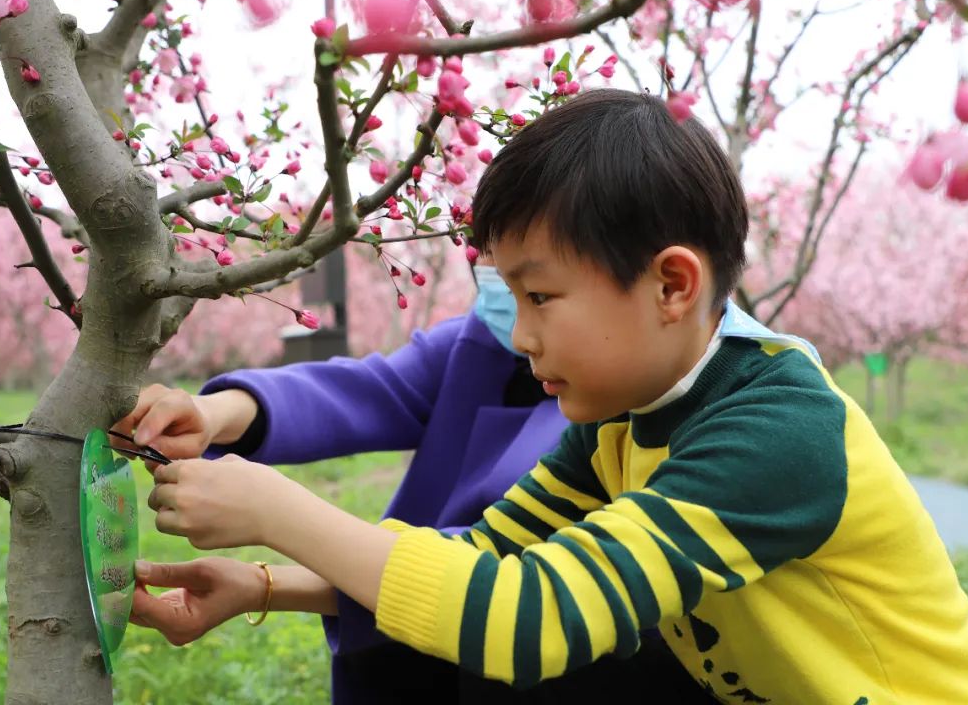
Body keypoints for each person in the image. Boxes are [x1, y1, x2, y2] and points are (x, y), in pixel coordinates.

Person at [130, 89, 968, 703]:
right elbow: (486, 553)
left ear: (672, 285)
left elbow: (526, 619)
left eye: (540, 295)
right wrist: (263, 584)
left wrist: (276, 510)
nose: (517, 334)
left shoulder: (776, 430)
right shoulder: (621, 424)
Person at [123, 259, 712, 702]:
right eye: (490, 268)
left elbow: (510, 584)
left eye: (535, 292)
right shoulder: (483, 341)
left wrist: (277, 527)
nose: (517, 322)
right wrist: (214, 415)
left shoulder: (662, 417)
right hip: (404, 654)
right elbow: (368, 392)